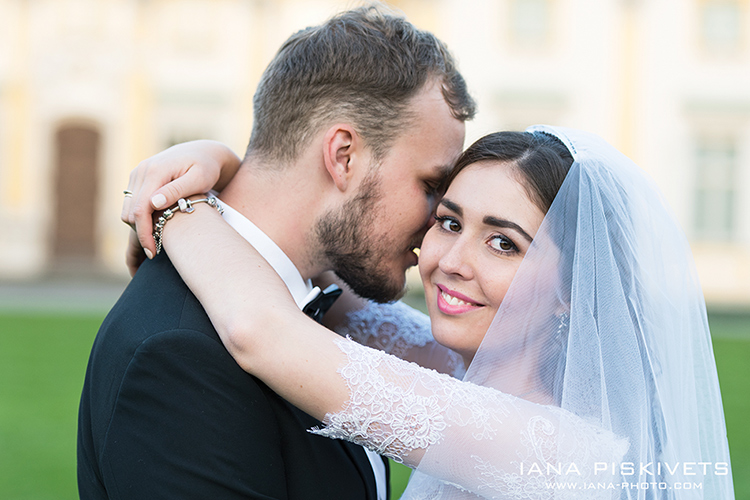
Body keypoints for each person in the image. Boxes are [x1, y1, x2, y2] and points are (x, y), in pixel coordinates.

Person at [128, 126, 734, 499]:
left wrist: (172, 206)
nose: (451, 261)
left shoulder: (559, 453)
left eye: (504, 243)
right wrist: (226, 163)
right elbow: (309, 260)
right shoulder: (452, 364)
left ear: (572, 289)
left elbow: (259, 328)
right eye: (449, 222)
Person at [77, 6, 475, 499]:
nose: (438, 221)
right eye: (431, 185)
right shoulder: (179, 355)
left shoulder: (318, 309)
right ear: (343, 156)